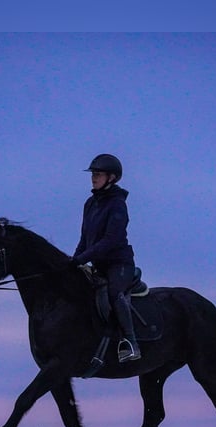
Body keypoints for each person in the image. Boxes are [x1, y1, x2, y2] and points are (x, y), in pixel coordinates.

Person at [69, 153, 142, 362]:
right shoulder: (90, 204)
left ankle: (130, 342)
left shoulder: (118, 204)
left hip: (119, 263)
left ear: (111, 178)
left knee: (114, 293)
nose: (93, 178)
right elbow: (85, 238)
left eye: (98, 174)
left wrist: (82, 259)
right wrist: (73, 262)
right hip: (98, 263)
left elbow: (110, 240)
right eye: (93, 174)